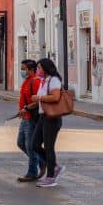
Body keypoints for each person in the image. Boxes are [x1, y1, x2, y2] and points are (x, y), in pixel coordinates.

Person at [31, 58, 65, 188]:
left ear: (46, 68)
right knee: (34, 144)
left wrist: (39, 97)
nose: (37, 70)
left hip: (52, 117)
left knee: (49, 147)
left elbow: (55, 97)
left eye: (39, 67)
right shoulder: (43, 81)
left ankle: (51, 177)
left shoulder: (53, 80)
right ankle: (55, 166)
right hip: (43, 116)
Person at [16, 59, 44, 182]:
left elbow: (39, 100)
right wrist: (22, 110)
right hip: (25, 117)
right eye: (21, 69)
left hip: (32, 118)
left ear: (31, 70)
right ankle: (42, 161)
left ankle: (32, 173)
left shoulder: (35, 81)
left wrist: (26, 108)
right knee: (20, 143)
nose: (22, 71)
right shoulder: (26, 81)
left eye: (24, 69)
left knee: (30, 146)